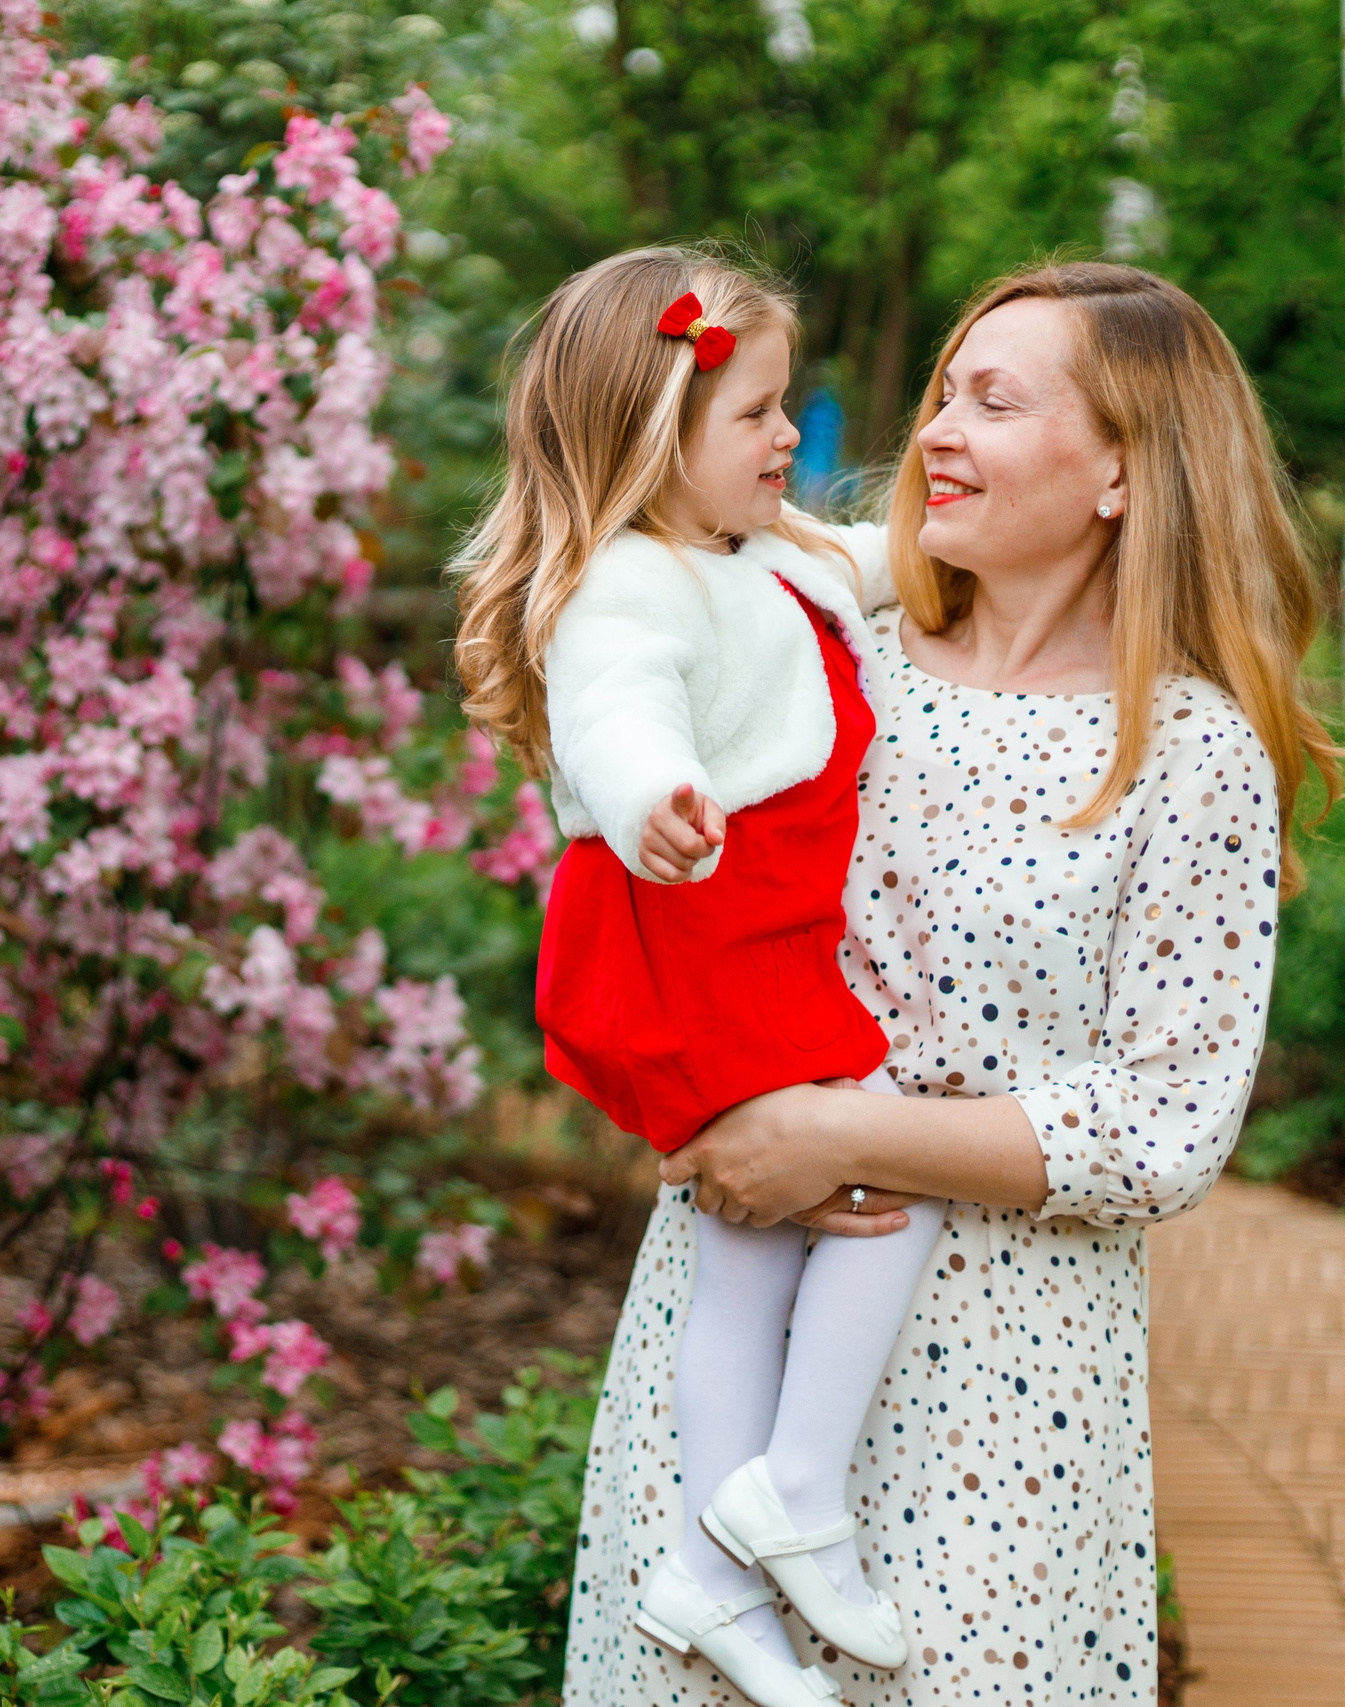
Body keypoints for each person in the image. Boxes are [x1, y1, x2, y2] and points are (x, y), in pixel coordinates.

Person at [559, 261, 1343, 1705]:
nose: (934, 435)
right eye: (941, 397)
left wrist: (845, 1138)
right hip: (727, 1321)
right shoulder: (820, 638)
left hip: (1003, 1391)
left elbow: (1164, 1126)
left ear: (1125, 467)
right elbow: (640, 825)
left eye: (994, 400)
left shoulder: (1187, 753)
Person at [453, 246, 948, 1707]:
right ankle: (794, 1488)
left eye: (788, 406)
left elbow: (876, 567)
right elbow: (612, 707)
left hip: (750, 939)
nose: (789, 440)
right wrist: (655, 789)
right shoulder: (631, 583)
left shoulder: (767, 553)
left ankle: (711, 1570)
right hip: (703, 937)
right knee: (887, 1193)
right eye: (757, 416)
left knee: (748, 1266)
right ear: (649, 433)